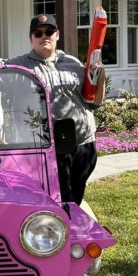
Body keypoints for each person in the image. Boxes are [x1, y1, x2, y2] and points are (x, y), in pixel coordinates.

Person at [8, 13, 105, 205]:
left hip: (83, 142)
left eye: (50, 31)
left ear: (57, 35)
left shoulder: (73, 64)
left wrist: (101, 77)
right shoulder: (19, 66)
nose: (44, 36)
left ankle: (70, 228)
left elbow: (94, 102)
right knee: (60, 199)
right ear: (31, 38)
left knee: (75, 197)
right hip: (49, 147)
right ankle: (65, 230)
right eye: (38, 33)